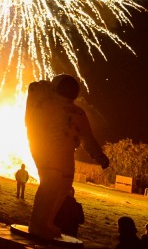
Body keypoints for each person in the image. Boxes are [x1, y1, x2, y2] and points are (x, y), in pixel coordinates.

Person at [25, 74, 109, 240]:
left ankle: (47, 222)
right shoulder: (45, 105)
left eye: (72, 87)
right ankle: (38, 224)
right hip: (47, 152)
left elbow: (87, 137)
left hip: (65, 154)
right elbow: (33, 126)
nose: (70, 89)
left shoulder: (78, 112)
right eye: (67, 86)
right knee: (51, 185)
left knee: (64, 187)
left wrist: (99, 155)